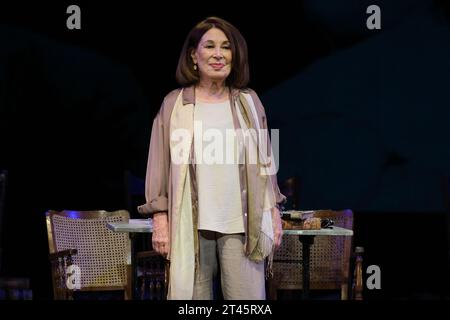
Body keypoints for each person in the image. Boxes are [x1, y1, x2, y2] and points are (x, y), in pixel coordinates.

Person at [138, 16, 285, 300]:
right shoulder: (175, 103)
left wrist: (274, 211)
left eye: (226, 47)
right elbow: (159, 164)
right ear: (194, 55)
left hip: (242, 224)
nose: (218, 54)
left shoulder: (250, 101)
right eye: (210, 46)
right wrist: (160, 217)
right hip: (190, 224)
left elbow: (267, 162)